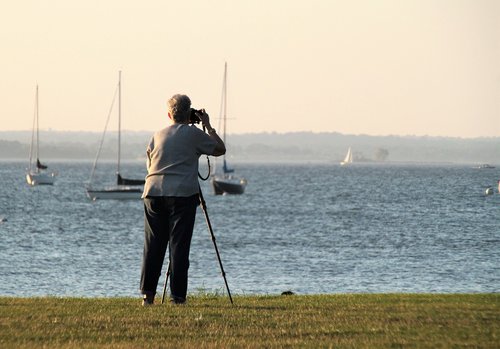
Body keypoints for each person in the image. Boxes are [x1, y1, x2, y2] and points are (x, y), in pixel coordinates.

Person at [139, 94, 226, 306]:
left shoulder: (156, 135)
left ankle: (147, 296)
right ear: (189, 114)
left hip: (153, 193)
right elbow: (220, 149)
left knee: (153, 246)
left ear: (169, 114)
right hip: (182, 195)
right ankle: (177, 297)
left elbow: (150, 165)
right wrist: (208, 126)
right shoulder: (194, 134)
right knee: (179, 246)